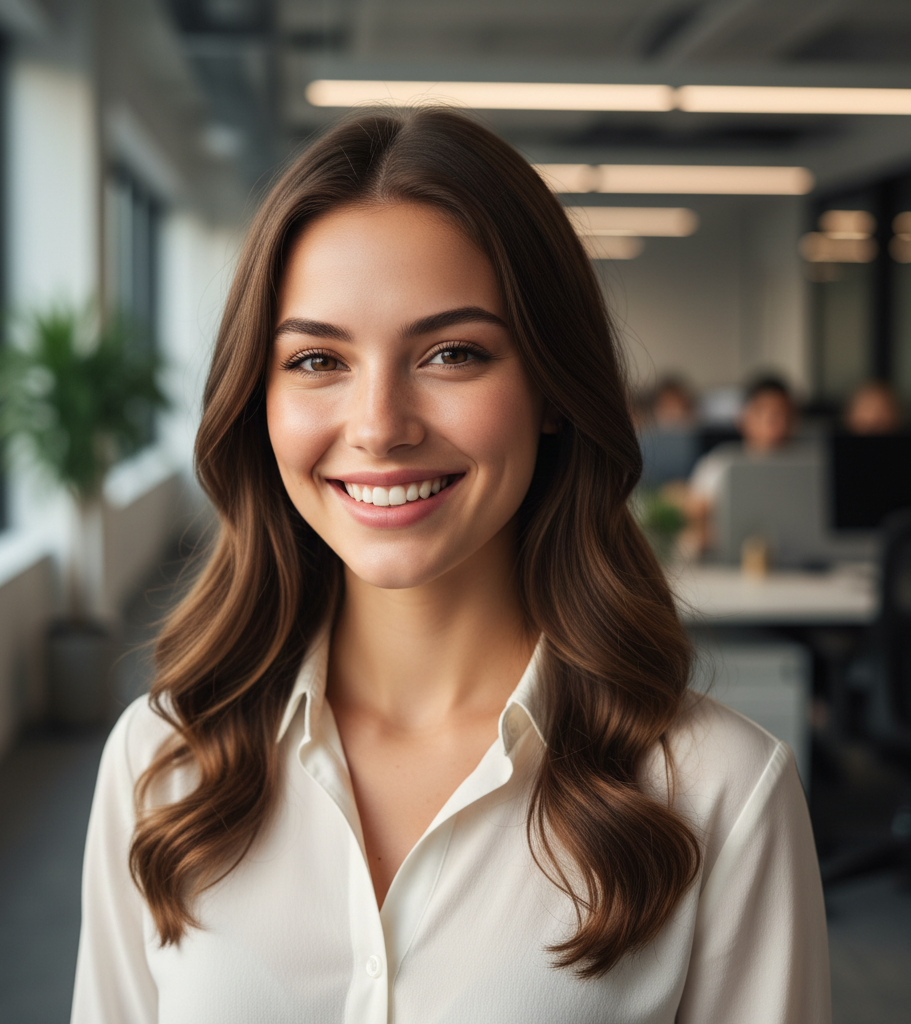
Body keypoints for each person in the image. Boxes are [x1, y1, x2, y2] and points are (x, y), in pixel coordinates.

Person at [70, 108, 830, 1023]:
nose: (381, 424)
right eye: (317, 359)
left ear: (551, 389)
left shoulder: (718, 792)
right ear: (257, 400)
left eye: (453, 353)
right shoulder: (163, 764)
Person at [683, 374, 800, 553]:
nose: (772, 421)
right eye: (762, 412)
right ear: (743, 418)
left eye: (780, 413)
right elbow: (695, 513)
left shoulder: (808, 468)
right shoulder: (718, 464)